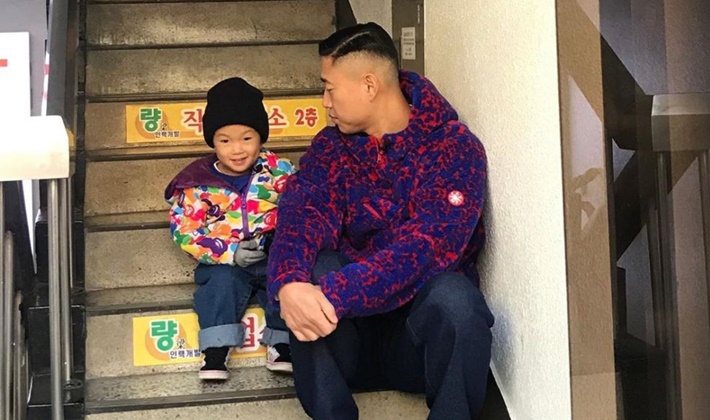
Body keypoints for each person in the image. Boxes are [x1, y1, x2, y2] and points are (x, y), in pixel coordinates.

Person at [266, 22, 495, 419]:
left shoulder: (453, 148)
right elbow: (302, 215)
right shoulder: (331, 147)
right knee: (311, 271)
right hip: (347, 338)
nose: (324, 102)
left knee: (457, 300)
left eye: (330, 88)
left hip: (415, 345)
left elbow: (426, 249)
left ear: (369, 85)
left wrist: (333, 295)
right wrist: (288, 283)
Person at [164, 77, 296, 380]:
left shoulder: (279, 172)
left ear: (261, 138)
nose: (237, 149)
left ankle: (282, 343)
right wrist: (229, 252)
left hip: (272, 253)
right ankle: (215, 349)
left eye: (247, 138)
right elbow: (183, 229)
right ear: (213, 141)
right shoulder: (197, 183)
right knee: (220, 286)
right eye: (225, 141)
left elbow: (301, 209)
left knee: (287, 279)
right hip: (224, 260)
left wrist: (279, 241)